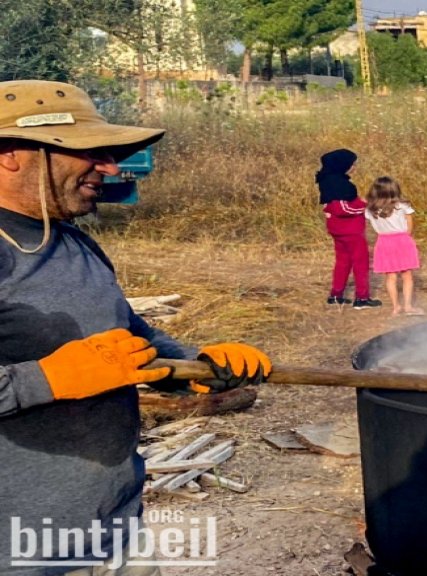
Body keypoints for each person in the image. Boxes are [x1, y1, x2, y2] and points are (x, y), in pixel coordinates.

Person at [0, 79, 273, 574]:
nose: (108, 167)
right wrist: (47, 380)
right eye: (88, 152)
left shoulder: (68, 238)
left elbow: (125, 328)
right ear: (10, 154)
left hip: (114, 527)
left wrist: (192, 363)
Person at [316, 149, 381, 310]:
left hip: (337, 229)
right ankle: (362, 298)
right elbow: (342, 209)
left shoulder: (326, 181)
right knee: (361, 263)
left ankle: (336, 295)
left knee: (343, 262)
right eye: (352, 164)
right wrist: (364, 204)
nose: (354, 167)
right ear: (342, 165)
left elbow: (330, 207)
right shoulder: (342, 185)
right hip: (350, 230)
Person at [365, 176, 424, 317]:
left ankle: (395, 307)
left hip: (384, 242)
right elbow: (409, 226)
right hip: (402, 240)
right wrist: (407, 239)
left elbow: (370, 226)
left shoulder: (370, 209)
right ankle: (408, 306)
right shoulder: (402, 206)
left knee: (390, 277)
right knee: (407, 276)